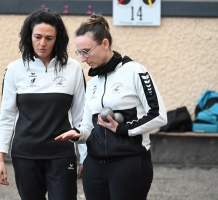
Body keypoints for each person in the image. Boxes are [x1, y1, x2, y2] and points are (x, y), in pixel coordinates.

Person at [55, 13, 167, 200]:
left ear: (105, 44)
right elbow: (88, 127)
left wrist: (124, 129)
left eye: (86, 51)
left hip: (129, 164)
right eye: (79, 52)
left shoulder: (134, 71)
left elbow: (158, 115)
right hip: (94, 167)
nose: (82, 59)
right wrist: (78, 134)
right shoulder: (92, 84)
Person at [0, 8, 86, 200]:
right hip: (25, 155)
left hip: (61, 154)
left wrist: (84, 158)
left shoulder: (73, 69)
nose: (42, 43)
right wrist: (0, 157)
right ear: (29, 37)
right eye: (37, 37)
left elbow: (80, 116)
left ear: (57, 39)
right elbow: (7, 115)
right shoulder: (14, 69)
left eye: (49, 38)